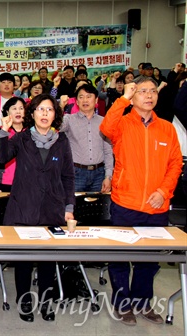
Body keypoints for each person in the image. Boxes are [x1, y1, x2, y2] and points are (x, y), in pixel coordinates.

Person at [100, 77, 183, 326]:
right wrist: (123, 97)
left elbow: (175, 163)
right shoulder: (122, 124)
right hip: (125, 203)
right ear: (133, 95)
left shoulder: (167, 128)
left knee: (148, 261)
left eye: (153, 91)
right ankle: (122, 304)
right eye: (142, 91)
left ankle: (143, 302)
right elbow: (105, 127)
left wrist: (163, 191)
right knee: (120, 258)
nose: (149, 95)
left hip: (156, 206)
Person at [0, 93, 75, 323]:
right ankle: (25, 301)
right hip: (24, 209)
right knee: (24, 261)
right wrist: (3, 130)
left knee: (48, 260)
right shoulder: (21, 139)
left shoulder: (61, 141)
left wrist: (69, 206)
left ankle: (47, 303)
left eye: (49, 110)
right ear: (32, 114)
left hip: (52, 210)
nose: (44, 114)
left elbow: (69, 177)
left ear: (55, 115)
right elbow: (1, 157)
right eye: (40, 109)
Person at [59, 84, 113, 192]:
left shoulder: (104, 122)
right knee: (74, 207)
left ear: (96, 100)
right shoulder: (69, 119)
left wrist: (108, 177)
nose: (85, 100)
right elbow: (56, 126)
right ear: (76, 101)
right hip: (76, 173)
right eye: (81, 97)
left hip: (99, 174)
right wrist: (61, 106)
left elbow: (108, 151)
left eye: (89, 96)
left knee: (97, 208)